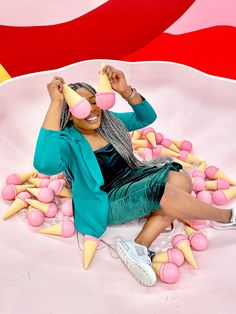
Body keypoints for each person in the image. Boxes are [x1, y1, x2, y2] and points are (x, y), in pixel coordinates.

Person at [33, 65, 236, 287]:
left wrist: (125, 91)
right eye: (81, 105)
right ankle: (227, 217)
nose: (92, 109)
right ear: (69, 114)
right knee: (166, 193)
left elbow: (146, 117)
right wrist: (55, 103)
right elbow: (45, 164)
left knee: (181, 180)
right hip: (106, 198)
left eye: (94, 101)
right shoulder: (66, 141)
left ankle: (138, 246)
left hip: (132, 177)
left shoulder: (109, 123)